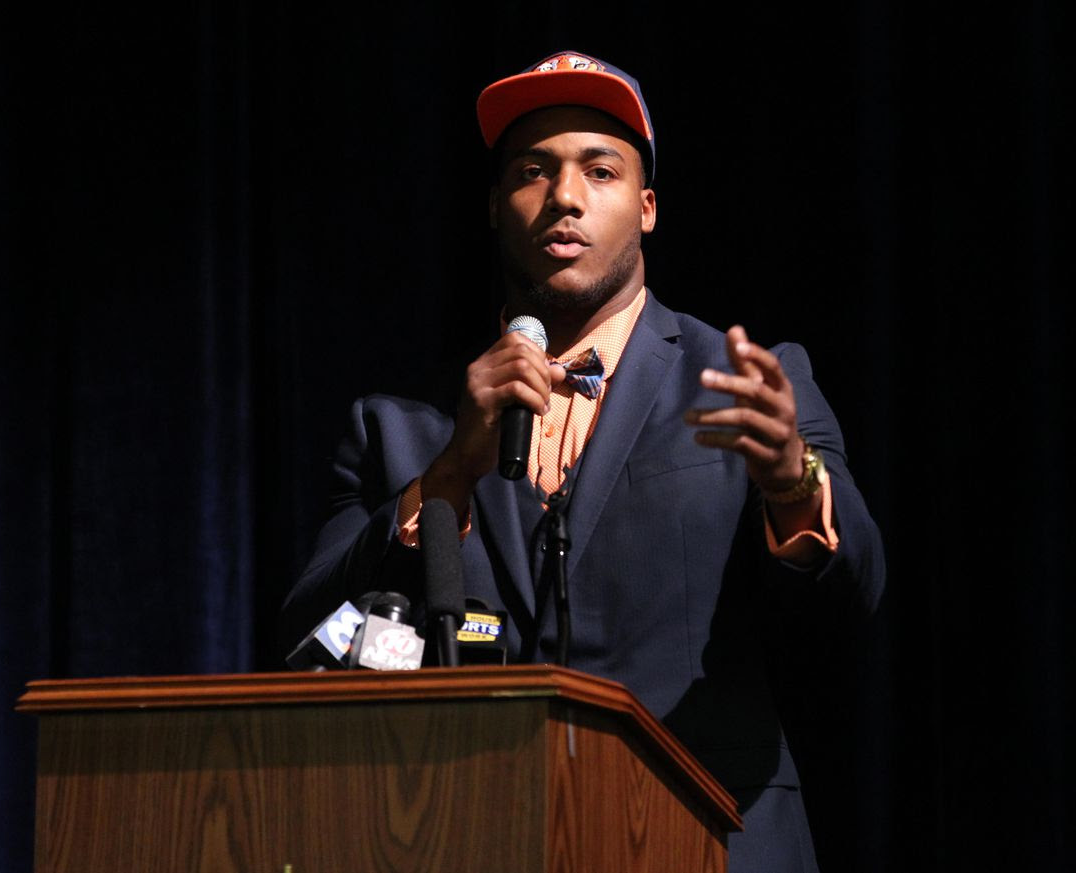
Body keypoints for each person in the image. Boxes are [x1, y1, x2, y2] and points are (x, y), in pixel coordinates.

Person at [282, 51, 885, 873]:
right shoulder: (402, 427)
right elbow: (304, 638)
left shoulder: (746, 385)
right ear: (495, 206)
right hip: (478, 841)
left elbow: (856, 597)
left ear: (647, 207)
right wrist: (450, 476)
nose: (564, 196)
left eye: (600, 171)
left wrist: (791, 480)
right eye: (533, 171)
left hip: (708, 840)